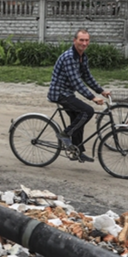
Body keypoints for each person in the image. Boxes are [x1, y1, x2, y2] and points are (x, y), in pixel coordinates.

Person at [47, 29, 111, 162]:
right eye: (81, 40)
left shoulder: (82, 56)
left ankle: (77, 151)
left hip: (68, 93)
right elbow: (76, 81)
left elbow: (87, 76)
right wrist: (92, 98)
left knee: (79, 118)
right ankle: (65, 135)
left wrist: (101, 91)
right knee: (88, 111)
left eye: (87, 40)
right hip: (59, 93)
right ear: (74, 40)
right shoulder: (70, 56)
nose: (84, 43)